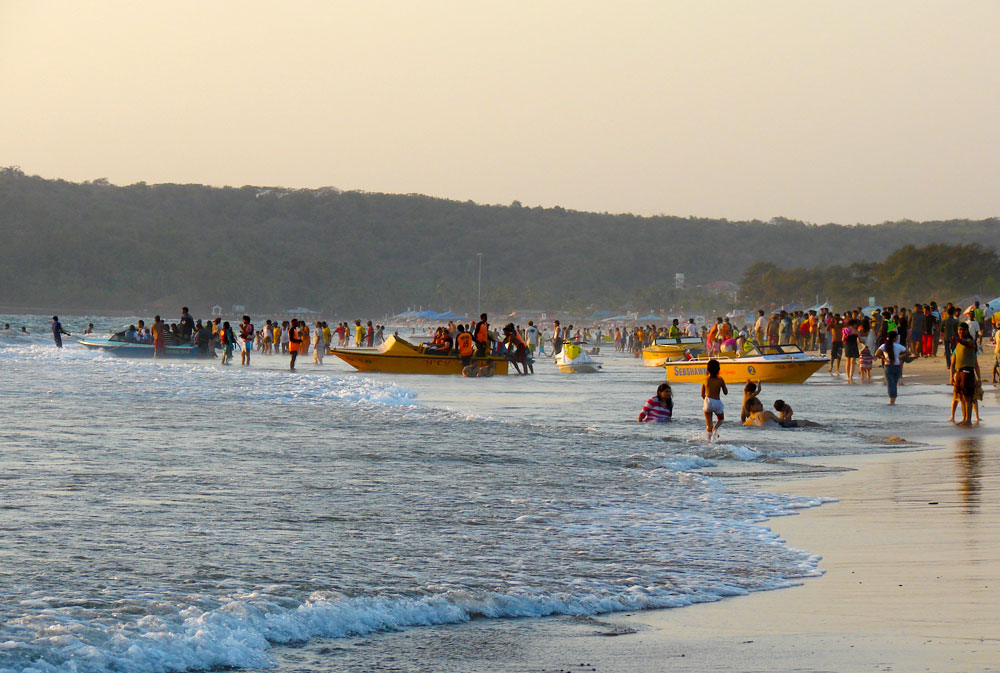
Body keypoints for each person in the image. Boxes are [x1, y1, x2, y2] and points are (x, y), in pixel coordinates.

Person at [950, 322, 979, 426]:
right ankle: (964, 418)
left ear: (967, 331)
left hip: (967, 372)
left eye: (963, 330)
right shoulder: (958, 345)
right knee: (961, 397)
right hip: (959, 373)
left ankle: (968, 420)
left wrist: (959, 340)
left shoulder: (970, 341)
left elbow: (969, 344)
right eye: (959, 330)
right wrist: (952, 376)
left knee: (968, 397)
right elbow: (953, 362)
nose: (961, 331)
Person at [875, 330, 908, 405]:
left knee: (890, 384)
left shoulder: (884, 345)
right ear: (894, 338)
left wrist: (883, 358)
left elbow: (876, 354)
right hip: (897, 366)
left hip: (888, 366)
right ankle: (893, 401)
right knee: (894, 384)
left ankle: (891, 402)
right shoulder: (898, 346)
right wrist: (900, 357)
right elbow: (908, 352)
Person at [700, 359, 728, 440]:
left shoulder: (706, 380)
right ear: (718, 370)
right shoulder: (720, 380)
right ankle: (715, 429)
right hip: (717, 402)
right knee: (721, 419)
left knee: (708, 424)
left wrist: (706, 399)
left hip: (707, 401)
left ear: (707, 369)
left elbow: (702, 394)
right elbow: (725, 392)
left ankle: (708, 441)